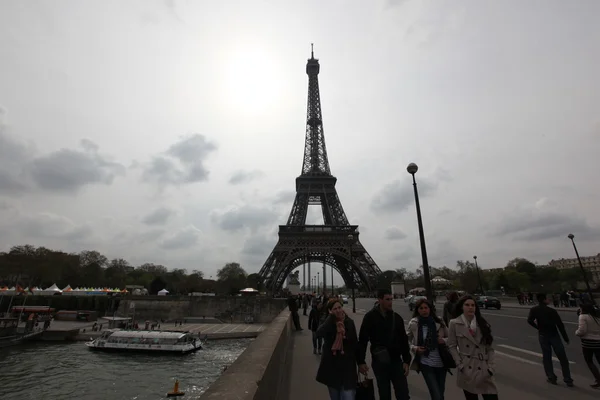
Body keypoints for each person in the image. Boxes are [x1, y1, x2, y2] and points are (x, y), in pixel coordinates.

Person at [357, 289, 411, 400]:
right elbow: (363, 340)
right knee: (385, 394)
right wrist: (361, 362)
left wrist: (406, 360)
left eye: (391, 299)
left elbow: (403, 340)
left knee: (403, 394)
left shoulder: (397, 318)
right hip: (380, 362)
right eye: (387, 299)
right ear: (380, 300)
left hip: (396, 361)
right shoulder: (370, 317)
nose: (390, 302)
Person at [447, 295, 498, 400]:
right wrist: (460, 364)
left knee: (492, 396)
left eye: (473, 305)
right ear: (462, 307)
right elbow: (451, 346)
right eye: (467, 305)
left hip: (484, 367)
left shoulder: (482, 324)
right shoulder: (454, 323)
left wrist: (491, 368)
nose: (470, 307)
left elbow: (490, 348)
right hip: (467, 368)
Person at [316, 298, 361, 400]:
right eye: (335, 309)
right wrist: (330, 319)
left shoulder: (349, 322)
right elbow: (318, 334)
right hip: (332, 369)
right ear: (330, 311)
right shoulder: (327, 323)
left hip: (348, 369)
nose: (338, 310)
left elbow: (355, 344)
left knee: (348, 396)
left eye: (339, 307)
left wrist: (361, 362)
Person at [406, 298, 449, 400]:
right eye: (421, 308)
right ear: (417, 310)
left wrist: (443, 340)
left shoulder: (439, 322)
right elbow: (406, 341)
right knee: (436, 394)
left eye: (426, 308)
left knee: (440, 392)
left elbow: (451, 338)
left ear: (430, 309)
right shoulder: (414, 323)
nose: (424, 310)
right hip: (426, 363)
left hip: (441, 362)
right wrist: (415, 348)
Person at [527, 293, 573, 386]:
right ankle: (567, 379)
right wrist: (565, 338)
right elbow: (560, 325)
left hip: (543, 335)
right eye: (547, 299)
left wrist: (538, 327)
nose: (549, 300)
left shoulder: (534, 310)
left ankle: (551, 377)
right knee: (562, 357)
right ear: (544, 300)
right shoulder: (552, 311)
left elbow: (529, 320)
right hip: (554, 335)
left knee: (547, 357)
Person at [575, 302, 600, 388]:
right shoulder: (597, 316)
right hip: (598, 341)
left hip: (588, 342)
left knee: (589, 361)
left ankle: (598, 379)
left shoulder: (583, 317)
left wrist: (576, 333)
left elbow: (582, 330)